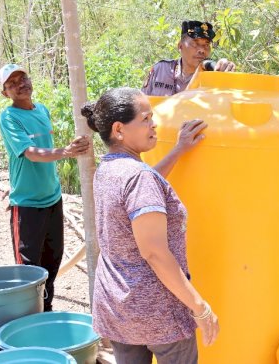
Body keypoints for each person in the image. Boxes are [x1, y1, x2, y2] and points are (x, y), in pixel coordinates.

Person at [81, 87, 218, 363]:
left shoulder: (109, 168)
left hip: (117, 307)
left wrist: (178, 150)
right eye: (145, 119)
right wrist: (200, 307)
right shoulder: (138, 178)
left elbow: (144, 187)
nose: (153, 124)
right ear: (119, 129)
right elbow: (154, 252)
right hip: (158, 312)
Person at [0, 63, 91, 312]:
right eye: (12, 83)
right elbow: (29, 153)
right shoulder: (9, 117)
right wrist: (66, 152)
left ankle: (45, 309)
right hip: (27, 204)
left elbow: (39, 154)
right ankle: (28, 315)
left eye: (22, 78)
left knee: (53, 258)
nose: (20, 84)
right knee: (29, 267)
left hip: (52, 198)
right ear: (5, 93)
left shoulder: (42, 110)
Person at [142, 20, 236, 96]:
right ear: (180, 46)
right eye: (195, 43)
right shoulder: (161, 69)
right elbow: (141, 105)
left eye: (206, 45)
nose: (202, 50)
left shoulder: (212, 76)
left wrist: (226, 70)